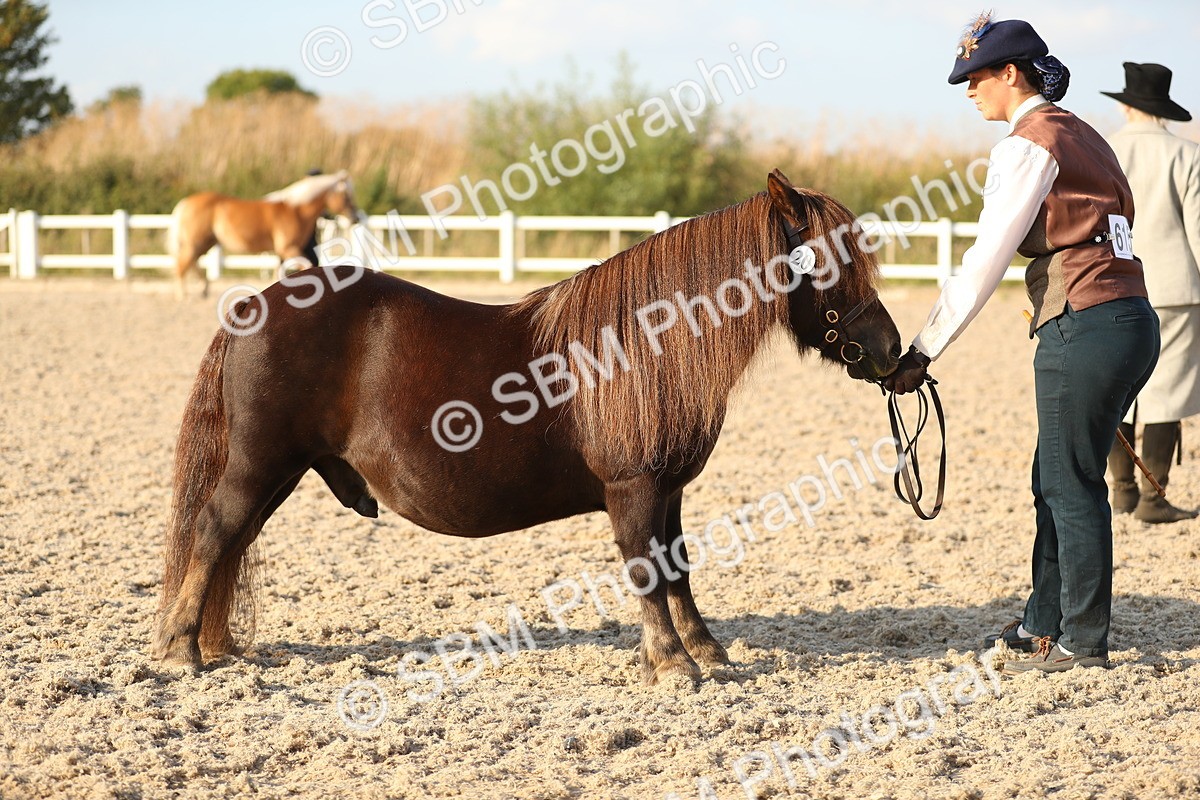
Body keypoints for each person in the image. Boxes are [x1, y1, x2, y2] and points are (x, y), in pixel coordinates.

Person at [883, 13, 1159, 674]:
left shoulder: (1025, 145)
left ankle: (1081, 642)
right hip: (1130, 318)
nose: (969, 90)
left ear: (1011, 73)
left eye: (976, 77)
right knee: (1055, 477)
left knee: (1070, 485)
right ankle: (1043, 621)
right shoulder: (1083, 132)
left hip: (1082, 323)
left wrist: (924, 348)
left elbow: (986, 258)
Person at [1101, 63, 1200, 524]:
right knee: (1168, 392)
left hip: (1115, 284)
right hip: (1175, 289)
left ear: (1127, 106)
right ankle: (1154, 498)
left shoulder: (1104, 149)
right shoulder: (1187, 154)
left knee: (1117, 386)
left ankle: (1122, 491)